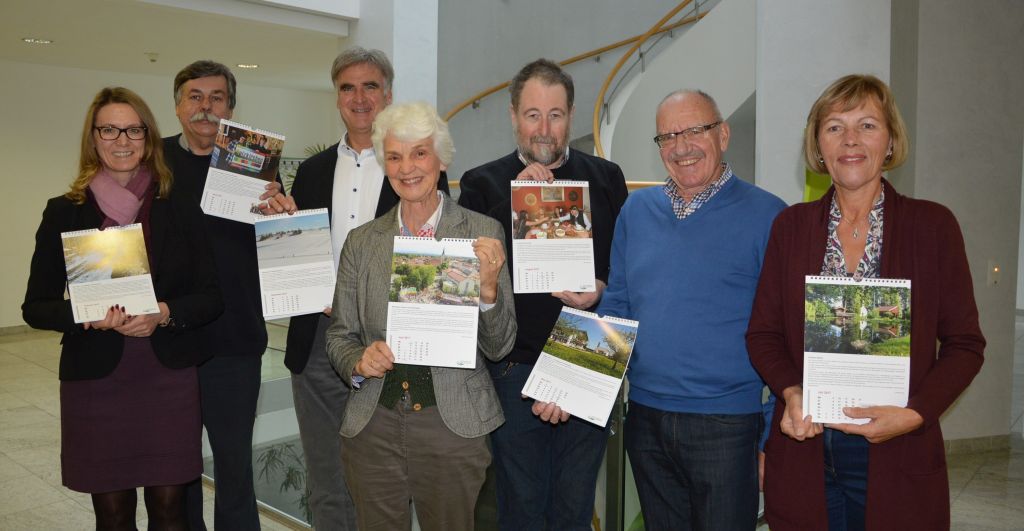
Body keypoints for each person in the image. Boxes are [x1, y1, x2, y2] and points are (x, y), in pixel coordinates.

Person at [746, 74, 985, 530]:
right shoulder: (790, 228)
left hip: (898, 451)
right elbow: (763, 334)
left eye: (867, 125)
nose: (850, 140)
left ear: (890, 140)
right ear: (818, 146)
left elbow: (965, 344)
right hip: (806, 450)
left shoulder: (933, 227)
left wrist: (914, 415)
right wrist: (791, 392)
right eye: (834, 126)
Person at [22, 87, 223, 529]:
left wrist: (164, 311)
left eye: (133, 129)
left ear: (147, 137)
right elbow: (35, 307)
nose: (122, 139)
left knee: (171, 511)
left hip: (166, 374)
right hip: (96, 379)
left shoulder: (179, 207)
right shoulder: (64, 212)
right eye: (109, 129)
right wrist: (84, 314)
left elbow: (211, 295)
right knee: (112, 515)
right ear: (93, 138)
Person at [597, 89, 785, 530]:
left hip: (727, 423)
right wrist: (576, 381)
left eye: (694, 131)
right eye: (666, 137)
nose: (680, 147)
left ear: (722, 134)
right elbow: (618, 303)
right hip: (644, 418)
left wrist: (772, 435)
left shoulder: (770, 216)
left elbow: (786, 332)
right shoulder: (636, 211)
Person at [324, 101, 516, 531]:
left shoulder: (482, 234)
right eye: (394, 156)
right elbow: (339, 335)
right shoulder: (362, 242)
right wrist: (357, 360)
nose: (407, 167)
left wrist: (487, 292)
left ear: (441, 159)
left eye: (419, 153)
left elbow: (500, 345)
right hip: (373, 421)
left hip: (452, 424)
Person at [458, 58, 628, 530]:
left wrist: (602, 287)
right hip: (515, 368)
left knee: (574, 507)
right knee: (522, 508)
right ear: (513, 115)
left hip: (590, 356)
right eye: (533, 114)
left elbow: (627, 271)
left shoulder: (608, 178)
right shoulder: (481, 184)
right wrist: (518, 200)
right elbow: (471, 279)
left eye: (555, 114)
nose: (545, 127)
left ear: (571, 115)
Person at [284, 47, 449, 529]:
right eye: (348, 87)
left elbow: (438, 254)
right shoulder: (312, 173)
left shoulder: (413, 168)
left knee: (386, 478)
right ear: (337, 97)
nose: (359, 97)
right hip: (317, 339)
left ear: (388, 94)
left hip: (390, 345)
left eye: (370, 86)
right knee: (325, 477)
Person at [163, 60, 294, 530]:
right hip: (171, 339)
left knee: (234, 466)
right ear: (178, 106)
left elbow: (280, 250)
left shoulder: (255, 166)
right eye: (195, 97)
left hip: (236, 339)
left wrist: (280, 217)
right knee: (176, 470)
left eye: (216, 98)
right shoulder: (151, 161)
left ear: (231, 108)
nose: (205, 107)